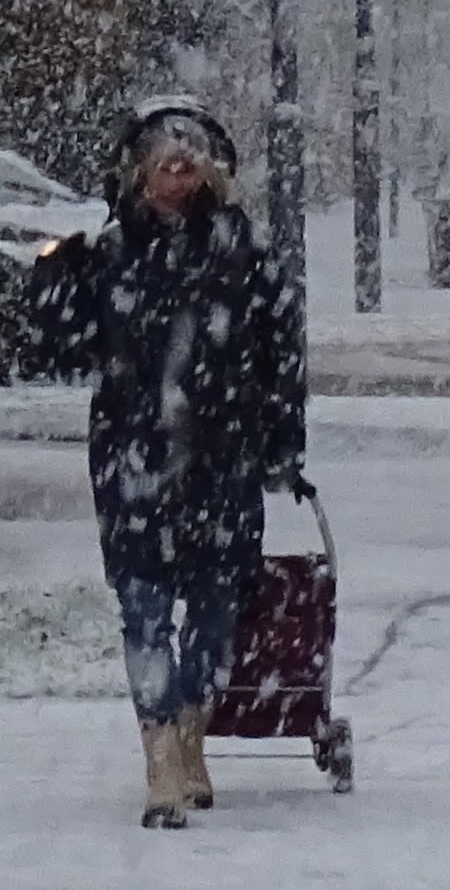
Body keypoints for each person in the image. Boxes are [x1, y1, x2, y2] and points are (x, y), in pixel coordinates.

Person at [25, 98, 307, 827]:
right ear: (136, 175)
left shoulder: (247, 258)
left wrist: (281, 442)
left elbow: (283, 360)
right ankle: (159, 757)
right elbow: (64, 346)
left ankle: (191, 733)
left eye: (189, 164)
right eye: (162, 164)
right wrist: (54, 277)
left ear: (212, 172)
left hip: (222, 460)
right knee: (143, 610)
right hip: (134, 461)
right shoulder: (111, 256)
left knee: (215, 615)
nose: (176, 177)